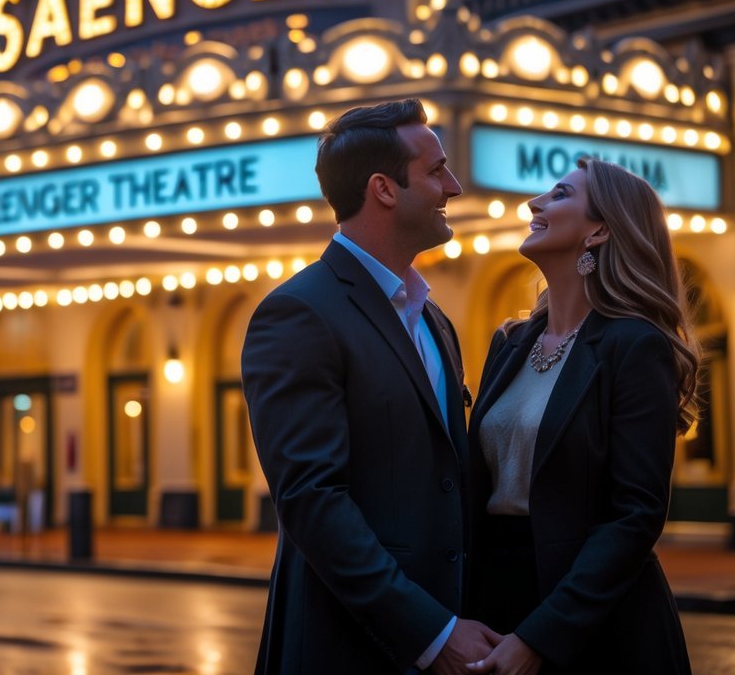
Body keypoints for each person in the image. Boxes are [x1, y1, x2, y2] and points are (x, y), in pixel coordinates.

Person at [241, 99, 500, 674]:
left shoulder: (435, 321)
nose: (453, 186)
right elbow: (314, 502)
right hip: (345, 649)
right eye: (436, 171)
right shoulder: (298, 314)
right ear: (384, 189)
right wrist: (432, 634)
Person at [465, 157, 698, 674]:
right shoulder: (510, 343)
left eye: (560, 194)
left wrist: (542, 636)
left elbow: (635, 515)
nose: (535, 203)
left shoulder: (635, 346)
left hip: (596, 621)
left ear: (599, 230)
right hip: (496, 599)